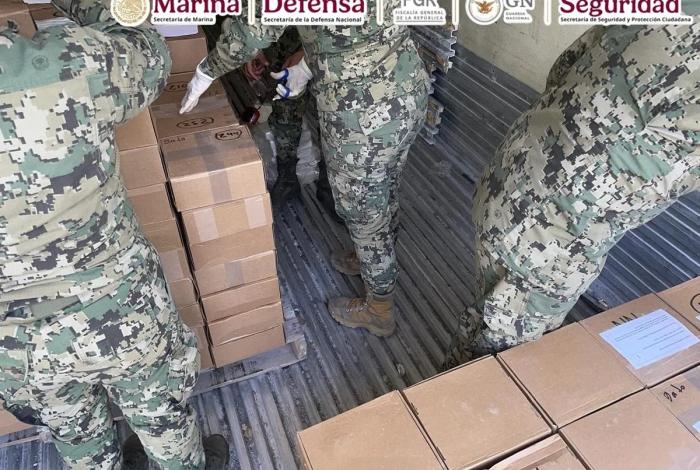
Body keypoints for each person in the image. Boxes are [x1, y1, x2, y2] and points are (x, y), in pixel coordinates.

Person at [0, 1, 228, 468]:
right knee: (161, 415)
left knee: (76, 435)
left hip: (15, 345)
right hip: (116, 311)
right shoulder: (55, 63)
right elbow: (149, 52)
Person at [443, 18, 700, 369]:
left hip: (521, 174)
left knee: (492, 319)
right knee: (500, 349)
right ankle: (455, 390)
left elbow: (569, 63)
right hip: (553, 235)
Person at [181, 1, 430, 337]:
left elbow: (253, 28)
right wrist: (309, 64)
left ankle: (379, 309)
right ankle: (369, 258)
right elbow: (352, 25)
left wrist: (207, 70)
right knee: (384, 186)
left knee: (362, 212)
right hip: (406, 84)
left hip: (364, 114)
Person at [242, 27, 339, 218]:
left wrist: (308, 52)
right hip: (287, 36)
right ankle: (287, 178)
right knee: (284, 109)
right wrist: (252, 44)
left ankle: (331, 186)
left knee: (333, 114)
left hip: (334, 40)